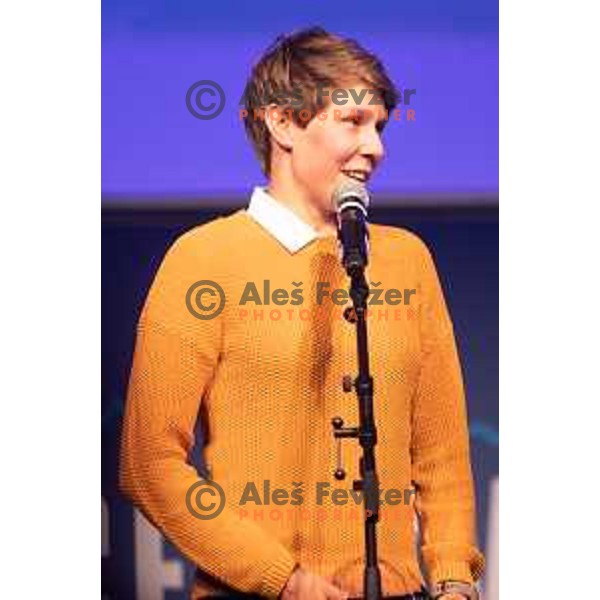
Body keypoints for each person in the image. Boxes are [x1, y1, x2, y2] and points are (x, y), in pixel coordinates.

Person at [120, 27, 485, 600]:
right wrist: (281, 579)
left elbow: (441, 456)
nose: (377, 147)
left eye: (381, 126)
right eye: (355, 121)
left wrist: (455, 580)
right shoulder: (203, 260)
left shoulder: (406, 260)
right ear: (283, 123)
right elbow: (149, 464)